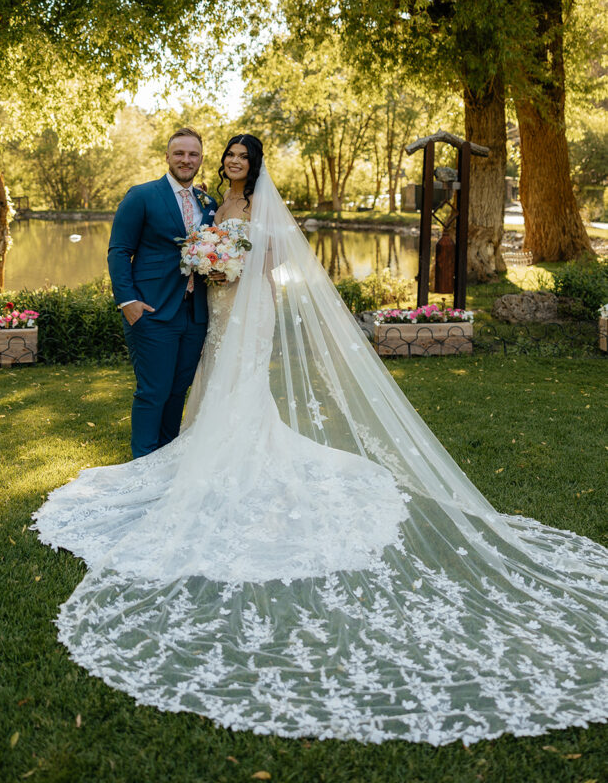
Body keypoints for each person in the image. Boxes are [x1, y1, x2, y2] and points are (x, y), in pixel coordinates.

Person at [34, 133, 607, 747]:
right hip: (198, 309)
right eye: (214, 155)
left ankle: (199, 463)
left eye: (234, 158)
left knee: (232, 389)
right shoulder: (189, 203)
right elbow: (137, 252)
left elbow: (277, 259)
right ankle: (159, 466)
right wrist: (151, 290)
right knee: (173, 395)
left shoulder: (244, 205)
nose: (220, 163)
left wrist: (232, 263)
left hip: (241, 307)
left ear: (249, 166)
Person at [107, 127, 217, 458]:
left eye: (193, 154)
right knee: (153, 391)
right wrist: (129, 302)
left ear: (200, 159)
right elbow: (118, 250)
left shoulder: (207, 202)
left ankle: (166, 458)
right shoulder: (141, 195)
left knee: (177, 391)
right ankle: (142, 464)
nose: (186, 159)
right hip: (151, 310)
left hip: (195, 313)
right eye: (180, 153)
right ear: (167, 156)